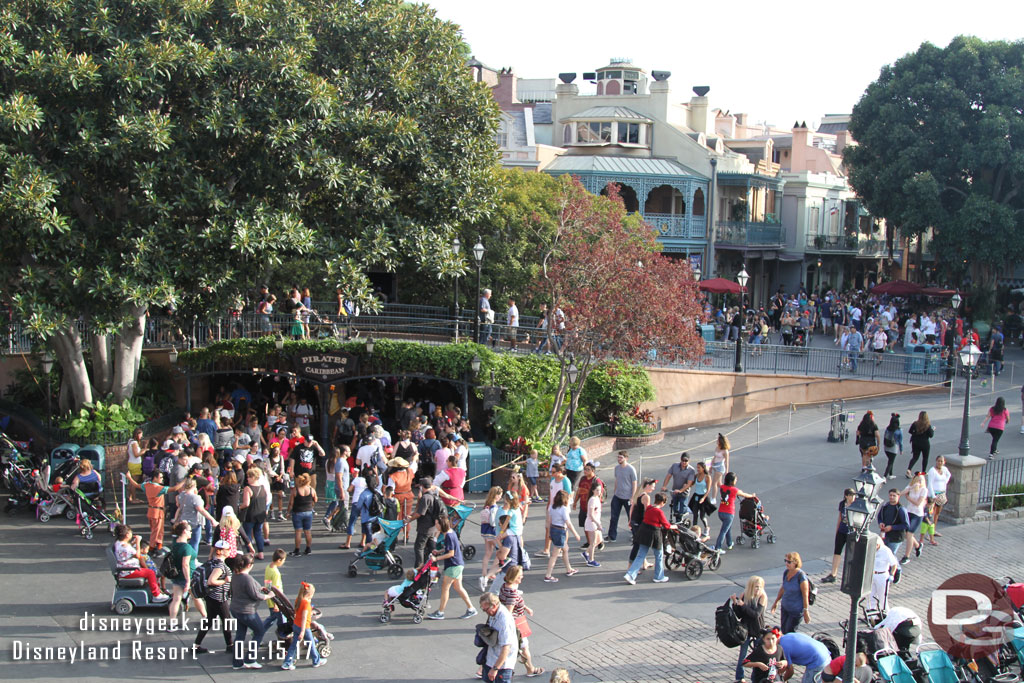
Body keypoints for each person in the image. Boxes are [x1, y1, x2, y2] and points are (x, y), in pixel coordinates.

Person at [426, 514, 477, 620]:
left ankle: (440, 612)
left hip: (453, 566)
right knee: (458, 587)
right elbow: (450, 548)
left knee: (445, 588)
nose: (436, 526)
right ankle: (471, 608)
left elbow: (451, 553)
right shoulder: (450, 532)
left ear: (441, 525)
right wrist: (439, 551)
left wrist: (436, 559)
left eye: (437, 524)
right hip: (458, 564)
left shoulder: (448, 535)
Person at [498, 566, 544, 678]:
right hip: (516, 625)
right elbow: (509, 612)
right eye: (520, 576)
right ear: (514, 577)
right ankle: (530, 669)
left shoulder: (504, 587)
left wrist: (525, 608)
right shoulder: (512, 592)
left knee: (509, 648)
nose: (522, 577)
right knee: (523, 647)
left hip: (511, 623)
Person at [230, 552, 273, 670]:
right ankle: (250, 659)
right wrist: (269, 595)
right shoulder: (247, 578)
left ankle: (237, 662)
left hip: (235, 609)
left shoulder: (236, 575)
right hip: (247, 611)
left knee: (240, 635)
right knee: (259, 631)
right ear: (249, 565)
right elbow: (256, 595)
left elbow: (252, 587)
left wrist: (260, 588)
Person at [124, 470, 185, 551]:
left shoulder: (146, 485)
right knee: (156, 530)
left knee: (158, 529)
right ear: (155, 478)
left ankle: (159, 543)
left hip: (151, 510)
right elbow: (174, 488)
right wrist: (184, 481)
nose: (162, 479)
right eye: (160, 477)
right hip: (158, 511)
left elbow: (136, 485)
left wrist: (129, 478)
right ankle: (152, 546)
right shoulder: (159, 488)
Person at [623, 492, 675, 584]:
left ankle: (630, 575)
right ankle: (658, 576)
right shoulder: (659, 511)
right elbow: (666, 525)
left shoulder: (649, 508)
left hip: (644, 532)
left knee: (641, 555)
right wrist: (674, 527)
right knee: (658, 555)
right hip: (654, 534)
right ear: (662, 502)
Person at [192, 539, 233, 654]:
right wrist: (225, 581)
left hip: (210, 596)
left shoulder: (211, 562)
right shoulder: (220, 566)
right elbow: (211, 581)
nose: (229, 551)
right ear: (220, 552)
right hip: (219, 598)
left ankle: (196, 645)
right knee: (226, 621)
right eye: (227, 549)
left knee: (209, 620)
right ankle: (230, 645)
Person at [113, 524, 167, 602]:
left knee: (148, 571)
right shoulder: (125, 547)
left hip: (125, 568)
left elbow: (129, 551)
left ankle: (156, 591)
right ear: (127, 535)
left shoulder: (118, 543)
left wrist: (133, 543)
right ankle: (156, 595)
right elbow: (138, 555)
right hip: (129, 571)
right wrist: (138, 542)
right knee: (150, 573)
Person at [280, 582, 325, 670]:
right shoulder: (306, 604)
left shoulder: (298, 599)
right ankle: (316, 661)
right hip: (304, 627)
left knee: (294, 645)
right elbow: (304, 618)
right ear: (310, 594)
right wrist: (303, 631)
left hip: (296, 625)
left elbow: (300, 613)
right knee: (311, 644)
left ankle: (287, 663)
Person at [731, 576, 767, 683]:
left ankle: (756, 677)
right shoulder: (744, 595)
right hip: (745, 628)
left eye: (759, 587)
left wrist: (744, 606)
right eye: (756, 587)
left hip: (757, 628)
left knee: (758, 654)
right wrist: (735, 603)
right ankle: (739, 677)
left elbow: (756, 614)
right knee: (743, 654)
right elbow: (739, 614)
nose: (758, 589)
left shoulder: (762, 597)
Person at [172, 477, 219, 555]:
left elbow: (179, 507)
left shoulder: (181, 495)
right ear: (194, 486)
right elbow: (202, 510)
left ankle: (182, 557)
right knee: (194, 541)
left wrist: (175, 518)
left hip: (183, 521)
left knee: (183, 541)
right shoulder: (195, 498)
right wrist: (212, 519)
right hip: (194, 522)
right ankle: (192, 558)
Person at [478, 591, 518, 683]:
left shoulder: (504, 621)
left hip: (502, 665)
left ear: (495, 605)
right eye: (483, 609)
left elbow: (506, 648)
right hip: (491, 658)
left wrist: (495, 669)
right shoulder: (494, 613)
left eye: (486, 609)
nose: (485, 612)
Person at [544, 490, 581, 582]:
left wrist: (548, 533)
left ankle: (569, 569)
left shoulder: (552, 507)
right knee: (554, 555)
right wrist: (576, 534)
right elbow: (568, 523)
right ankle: (548, 575)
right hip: (560, 531)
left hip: (553, 529)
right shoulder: (564, 509)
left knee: (565, 549)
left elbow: (549, 521)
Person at [821, 488, 856, 584]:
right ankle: (833, 573)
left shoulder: (857, 505)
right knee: (837, 552)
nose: (853, 497)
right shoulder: (842, 504)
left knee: (851, 553)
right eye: (851, 495)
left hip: (852, 532)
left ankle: (851, 575)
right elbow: (840, 517)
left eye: (853, 495)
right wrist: (837, 530)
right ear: (846, 496)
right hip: (842, 530)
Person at [771, 552, 812, 633]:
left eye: (789, 562)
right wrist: (776, 601)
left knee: (789, 632)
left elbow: (805, 595)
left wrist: (806, 611)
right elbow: (783, 588)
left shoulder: (801, 577)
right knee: (784, 630)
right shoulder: (786, 572)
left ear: (795, 562)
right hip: (785, 607)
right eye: (785, 561)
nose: (786, 563)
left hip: (795, 611)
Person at [714, 472, 755, 552]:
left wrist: (719, 474)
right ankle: (718, 548)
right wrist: (752, 495)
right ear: (732, 481)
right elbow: (745, 495)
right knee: (723, 531)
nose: (736, 480)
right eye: (735, 479)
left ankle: (729, 543)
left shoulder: (722, 487)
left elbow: (719, 483)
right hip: (729, 513)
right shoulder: (734, 490)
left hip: (721, 512)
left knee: (727, 528)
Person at [166, 522, 197, 621]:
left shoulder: (175, 543)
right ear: (184, 532)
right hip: (187, 576)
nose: (191, 532)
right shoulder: (186, 547)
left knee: (176, 600)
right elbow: (185, 564)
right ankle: (206, 618)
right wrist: (188, 581)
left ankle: (172, 622)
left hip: (176, 576)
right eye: (189, 530)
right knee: (197, 598)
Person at [541, 464, 573, 557]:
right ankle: (546, 549)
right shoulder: (552, 480)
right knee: (548, 527)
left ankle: (562, 549)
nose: (552, 474)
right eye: (551, 472)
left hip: (561, 508)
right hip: (552, 507)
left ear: (560, 472)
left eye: (554, 472)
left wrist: (565, 508)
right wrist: (548, 505)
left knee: (563, 529)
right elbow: (551, 493)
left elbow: (568, 495)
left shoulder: (565, 481)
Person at [411, 476, 442, 567]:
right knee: (431, 547)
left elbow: (420, 513)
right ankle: (434, 565)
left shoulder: (425, 498)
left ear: (422, 486)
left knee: (419, 547)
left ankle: (419, 567)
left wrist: (410, 519)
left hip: (425, 527)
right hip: (432, 527)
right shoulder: (433, 495)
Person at [628, 479, 657, 570]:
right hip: (640, 523)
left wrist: (630, 520)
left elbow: (632, 507)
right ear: (647, 485)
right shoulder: (646, 497)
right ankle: (630, 566)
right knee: (638, 545)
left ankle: (645, 563)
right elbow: (647, 512)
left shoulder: (638, 494)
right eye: (652, 486)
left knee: (640, 544)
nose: (654, 488)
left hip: (634, 521)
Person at [608, 450, 637, 541]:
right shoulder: (617, 468)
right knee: (613, 517)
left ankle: (635, 535)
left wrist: (633, 497)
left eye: (621, 457)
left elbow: (634, 483)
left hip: (627, 497)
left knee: (631, 517)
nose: (619, 459)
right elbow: (617, 480)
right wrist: (615, 491)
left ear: (626, 458)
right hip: (617, 496)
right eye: (618, 457)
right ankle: (612, 536)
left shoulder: (631, 469)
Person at [287, 472, 317, 556]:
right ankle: (308, 548)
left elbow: (291, 503)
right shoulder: (311, 489)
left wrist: (288, 511)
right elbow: (316, 499)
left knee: (298, 532)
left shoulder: (295, 490)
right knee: (307, 531)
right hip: (308, 512)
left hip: (297, 512)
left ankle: (297, 550)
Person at [660, 451, 696, 523]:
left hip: (684, 492)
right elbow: (668, 476)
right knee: (675, 508)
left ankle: (684, 513)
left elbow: (689, 483)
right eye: (683, 460)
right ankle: (677, 520)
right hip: (675, 491)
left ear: (689, 461)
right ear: (680, 459)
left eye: (686, 461)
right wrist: (664, 486)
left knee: (682, 509)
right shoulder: (675, 466)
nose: (684, 462)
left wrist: (681, 490)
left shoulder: (691, 470)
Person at [899, 473, 927, 564]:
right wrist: (910, 488)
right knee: (907, 534)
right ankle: (918, 546)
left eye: (921, 480)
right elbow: (900, 494)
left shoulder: (924, 490)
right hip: (909, 512)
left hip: (917, 514)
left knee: (909, 534)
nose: (919, 482)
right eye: (918, 480)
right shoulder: (910, 486)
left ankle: (906, 556)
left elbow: (918, 503)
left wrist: (908, 497)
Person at [867, 535, 898, 613]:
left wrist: (892, 575)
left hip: (882, 576)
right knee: (870, 596)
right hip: (872, 575)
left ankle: (885, 613)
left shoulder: (886, 551)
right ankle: (871, 614)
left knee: (882, 597)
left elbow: (894, 564)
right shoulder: (870, 549)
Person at [877, 488, 910, 557]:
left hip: (896, 537)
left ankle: (897, 568)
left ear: (898, 496)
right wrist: (880, 523)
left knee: (890, 556)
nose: (891, 497)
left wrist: (892, 527)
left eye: (894, 495)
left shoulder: (901, 509)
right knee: (883, 554)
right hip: (885, 535)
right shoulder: (885, 506)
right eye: (890, 495)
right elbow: (879, 517)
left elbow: (906, 525)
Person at [926, 455, 951, 538]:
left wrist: (945, 483)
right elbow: (929, 484)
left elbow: (949, 475)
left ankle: (934, 530)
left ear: (944, 462)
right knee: (930, 514)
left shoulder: (944, 469)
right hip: (934, 495)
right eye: (938, 461)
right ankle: (928, 532)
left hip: (942, 494)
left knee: (937, 513)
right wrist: (933, 495)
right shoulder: (932, 471)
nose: (940, 463)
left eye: (941, 461)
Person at [581, 479, 605, 567]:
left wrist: (598, 523)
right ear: (593, 490)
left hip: (595, 523)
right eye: (597, 490)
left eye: (600, 490)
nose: (599, 492)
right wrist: (597, 524)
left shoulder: (597, 498)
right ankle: (591, 560)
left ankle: (586, 553)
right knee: (593, 542)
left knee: (598, 540)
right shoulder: (592, 500)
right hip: (592, 523)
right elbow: (591, 514)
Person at [688, 462, 713, 541]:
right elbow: (691, 484)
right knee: (695, 514)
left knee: (702, 516)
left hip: (703, 496)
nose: (697, 469)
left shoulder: (707, 477)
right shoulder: (696, 476)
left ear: (703, 468)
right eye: (697, 467)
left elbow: (708, 489)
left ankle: (706, 527)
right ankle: (694, 531)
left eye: (699, 467)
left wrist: (704, 498)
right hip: (696, 496)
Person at [906, 411, 934, 476]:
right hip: (925, 443)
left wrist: (915, 433)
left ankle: (909, 469)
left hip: (915, 443)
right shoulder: (928, 425)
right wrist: (932, 429)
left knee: (915, 457)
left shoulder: (915, 424)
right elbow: (931, 435)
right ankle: (923, 471)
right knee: (925, 458)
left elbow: (910, 431)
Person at [881, 413, 903, 479]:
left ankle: (891, 474)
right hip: (894, 448)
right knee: (890, 462)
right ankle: (884, 476)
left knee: (890, 460)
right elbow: (900, 441)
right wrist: (901, 450)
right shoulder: (899, 431)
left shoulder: (887, 429)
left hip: (886, 447)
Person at [710, 436, 730, 504]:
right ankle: (725, 494)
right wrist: (710, 466)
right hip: (715, 466)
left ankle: (713, 498)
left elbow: (727, 462)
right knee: (719, 484)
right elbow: (714, 457)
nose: (717, 441)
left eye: (718, 440)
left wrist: (727, 471)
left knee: (714, 483)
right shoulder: (717, 447)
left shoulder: (725, 451)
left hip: (720, 467)